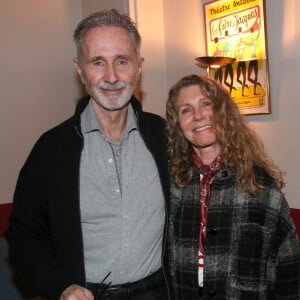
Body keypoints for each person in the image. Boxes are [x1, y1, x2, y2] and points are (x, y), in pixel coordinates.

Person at [5, 9, 170, 300]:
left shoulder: (165, 137)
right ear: (80, 70)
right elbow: (23, 236)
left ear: (139, 66)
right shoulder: (50, 151)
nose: (111, 76)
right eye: (97, 62)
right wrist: (60, 286)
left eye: (122, 61)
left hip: (159, 292)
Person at [163, 74, 300, 299]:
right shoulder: (170, 186)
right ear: (178, 123)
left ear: (222, 112)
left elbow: (288, 269)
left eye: (206, 104)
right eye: (186, 110)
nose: (198, 116)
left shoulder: (260, 186)